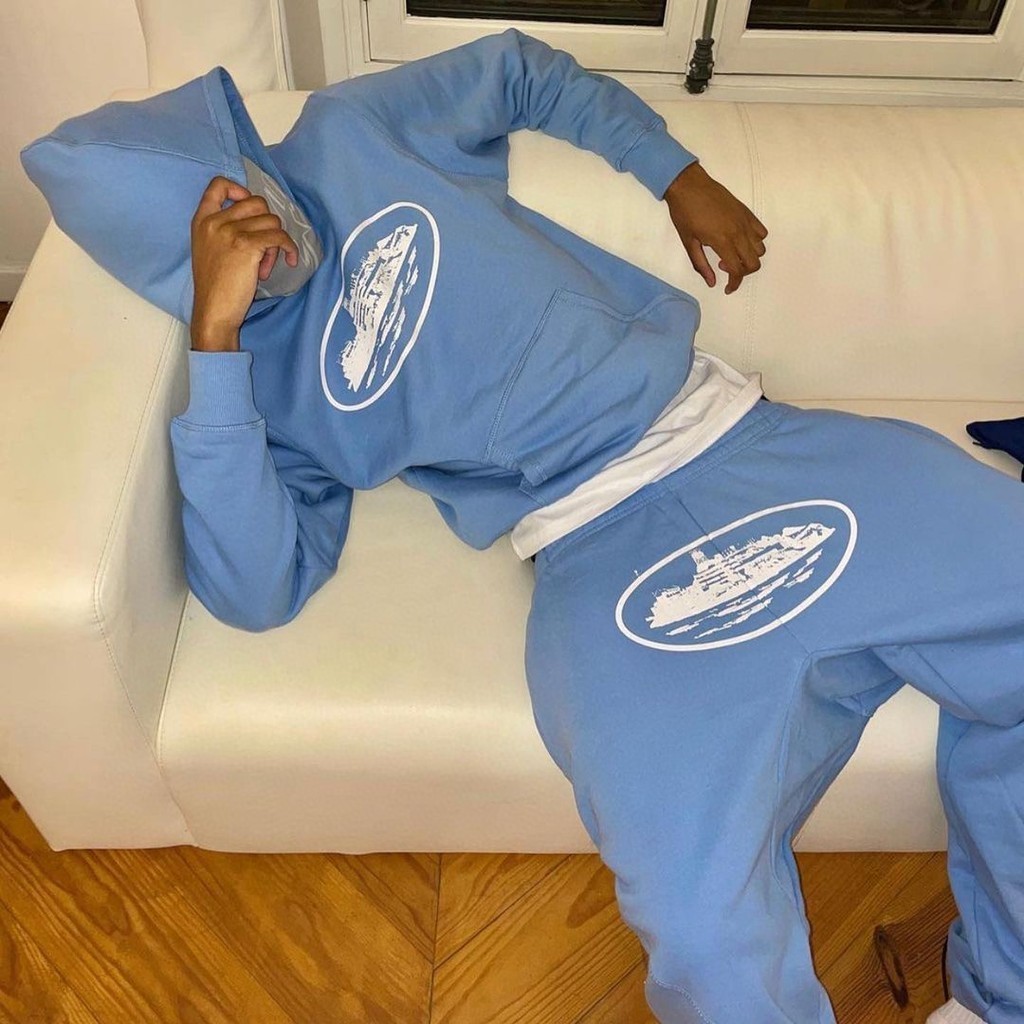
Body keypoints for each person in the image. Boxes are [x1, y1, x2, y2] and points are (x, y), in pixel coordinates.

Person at [21, 28, 1022, 1024]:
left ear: (243, 149)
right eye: (209, 230)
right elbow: (253, 590)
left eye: (233, 185)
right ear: (179, 265)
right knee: (697, 921)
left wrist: (675, 174)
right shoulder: (268, 394)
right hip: (601, 560)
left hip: (756, 443)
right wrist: (216, 344)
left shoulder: (350, 131)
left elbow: (516, 70)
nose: (249, 222)